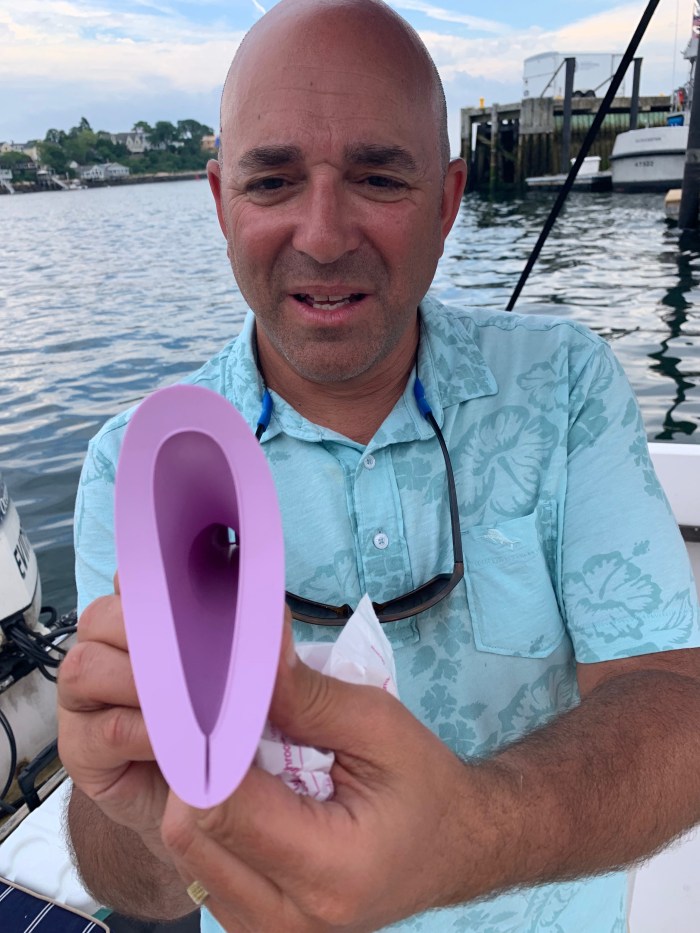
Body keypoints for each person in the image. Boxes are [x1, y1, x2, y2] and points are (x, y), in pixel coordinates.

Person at [57, 0, 700, 931]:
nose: (323, 236)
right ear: (222, 202)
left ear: (446, 201)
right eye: (272, 181)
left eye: (377, 178)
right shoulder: (138, 466)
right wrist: (139, 801)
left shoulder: (565, 386)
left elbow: (676, 703)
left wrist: (465, 834)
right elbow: (135, 880)